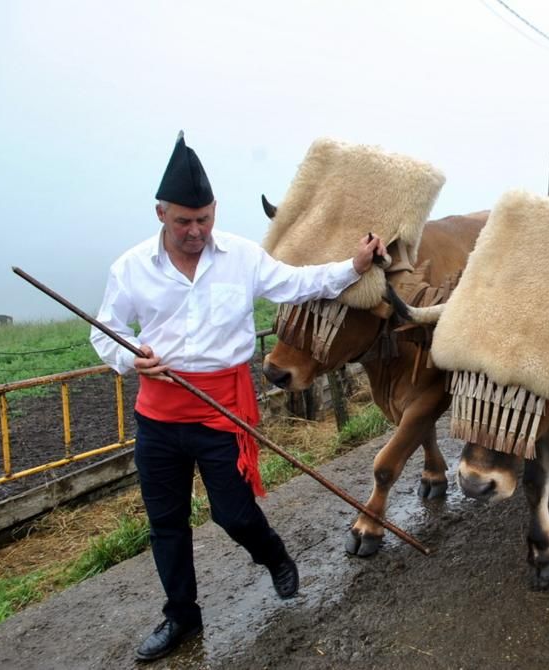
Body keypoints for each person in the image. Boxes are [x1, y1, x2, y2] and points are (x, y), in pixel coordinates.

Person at [90, 132, 387, 662]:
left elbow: (298, 284)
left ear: (213, 212)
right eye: (183, 221)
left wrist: (353, 268)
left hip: (221, 412)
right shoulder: (130, 267)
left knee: (234, 514)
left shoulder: (242, 257)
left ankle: (273, 556)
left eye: (203, 219)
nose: (195, 231)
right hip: (158, 417)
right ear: (161, 213)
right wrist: (129, 356)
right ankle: (181, 615)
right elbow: (103, 330)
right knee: (166, 522)